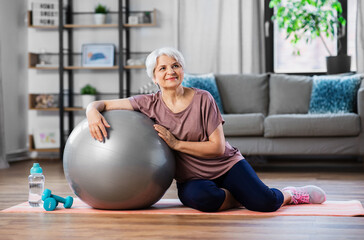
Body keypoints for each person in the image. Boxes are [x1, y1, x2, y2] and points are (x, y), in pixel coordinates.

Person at [86, 47, 326, 212]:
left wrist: (176, 144)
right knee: (204, 199)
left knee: (266, 203)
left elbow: (217, 147)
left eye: (175, 65)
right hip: (192, 177)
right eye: (162, 68)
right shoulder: (147, 103)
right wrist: (90, 111)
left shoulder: (203, 98)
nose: (170, 71)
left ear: (182, 71)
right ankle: (239, 196)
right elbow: (103, 104)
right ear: (154, 77)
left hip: (226, 165)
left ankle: (292, 194)